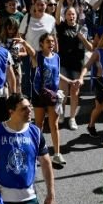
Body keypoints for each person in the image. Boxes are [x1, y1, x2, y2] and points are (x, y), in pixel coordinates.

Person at [21, 32, 75, 168]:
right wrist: (24, 43)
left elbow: (57, 74)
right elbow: (31, 52)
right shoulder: (37, 57)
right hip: (39, 95)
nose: (51, 44)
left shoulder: (56, 57)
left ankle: (57, 154)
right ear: (41, 44)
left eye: (52, 41)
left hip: (53, 96)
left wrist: (69, 81)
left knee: (54, 125)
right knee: (39, 124)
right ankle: (36, 153)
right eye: (48, 42)